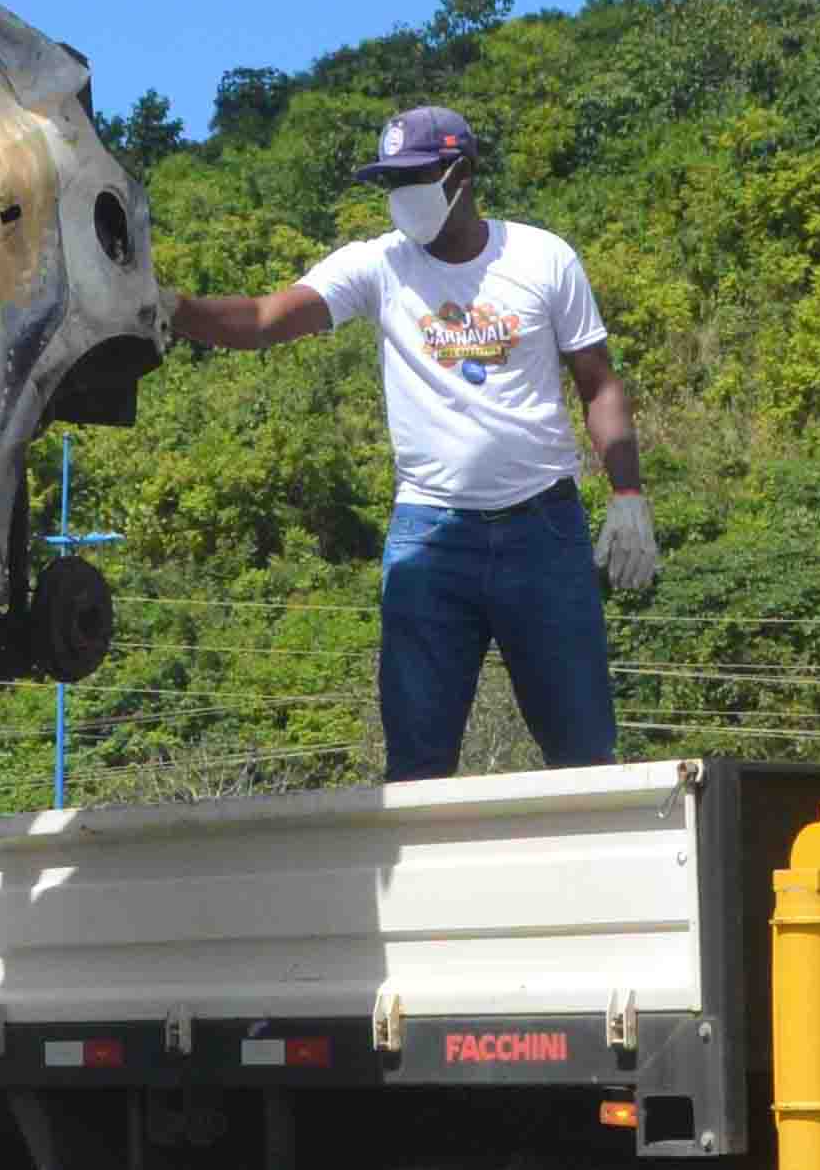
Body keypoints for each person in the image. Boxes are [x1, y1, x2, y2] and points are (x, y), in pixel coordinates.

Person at [165, 103, 657, 778]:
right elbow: (261, 319)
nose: (400, 195)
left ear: (462, 175)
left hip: (543, 531)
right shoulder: (378, 265)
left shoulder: (544, 258)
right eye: (390, 181)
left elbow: (598, 384)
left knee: (584, 754)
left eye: (414, 178)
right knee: (417, 764)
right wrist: (169, 308)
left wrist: (627, 493)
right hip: (431, 538)